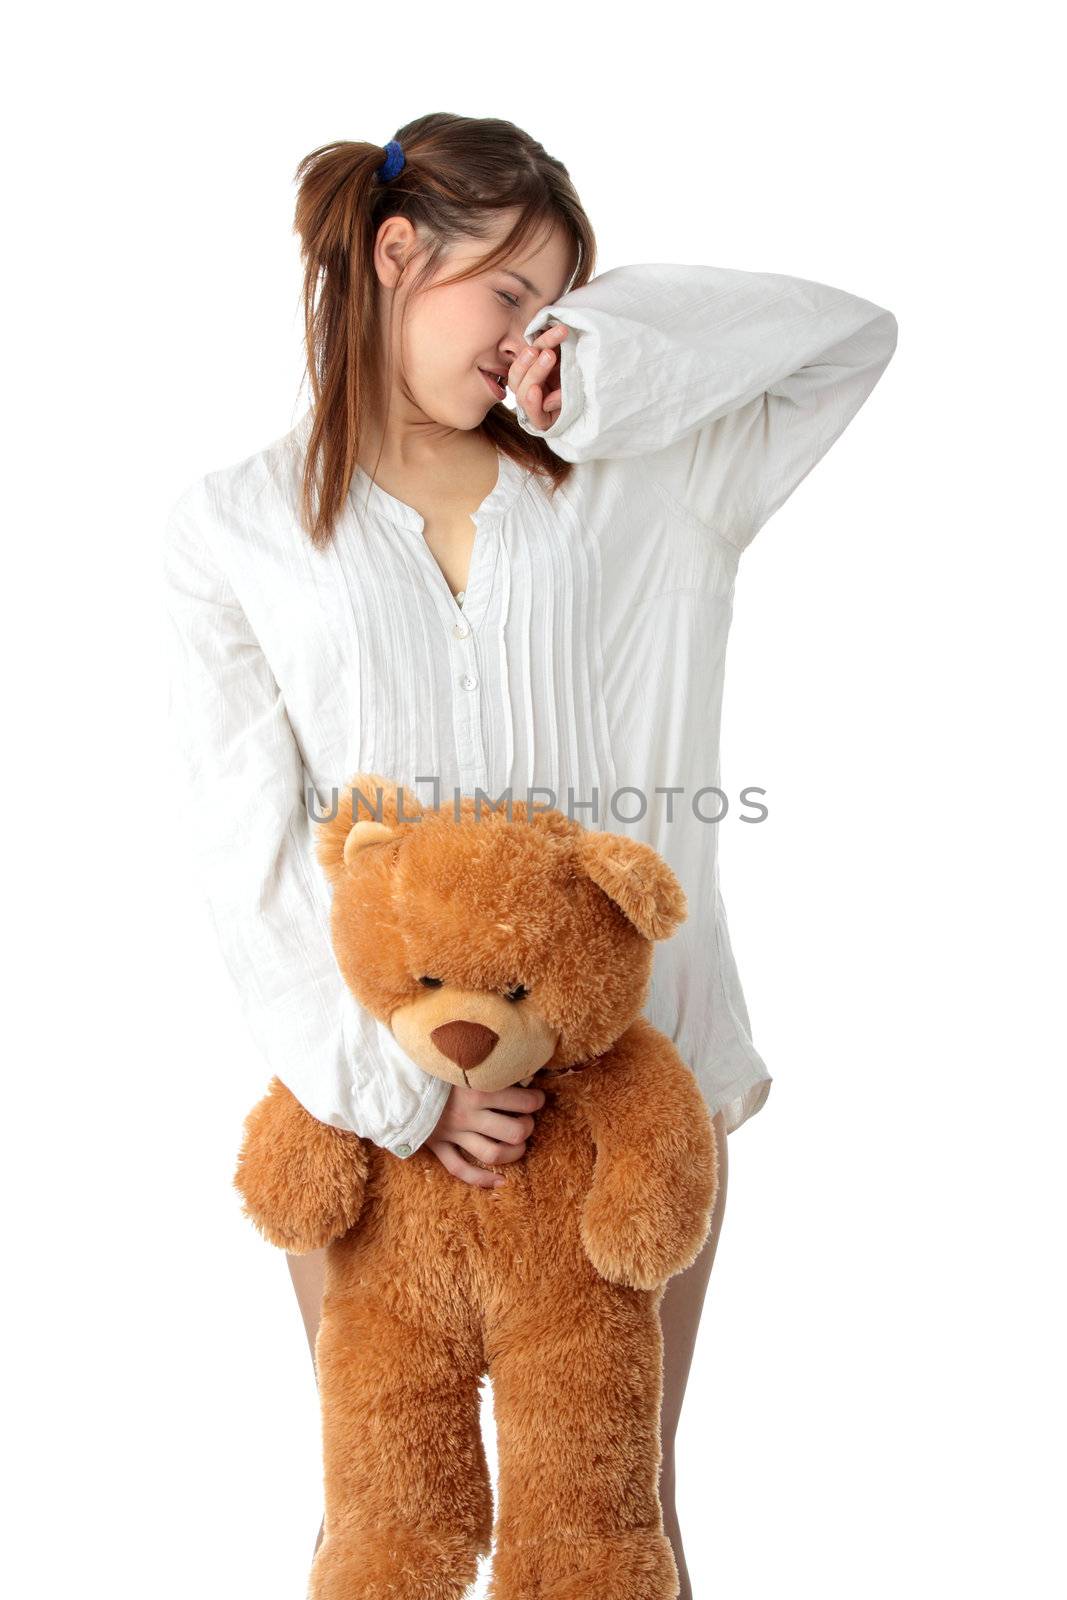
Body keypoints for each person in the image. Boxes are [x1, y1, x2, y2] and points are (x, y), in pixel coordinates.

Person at [162, 112, 897, 1600]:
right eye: (508, 296)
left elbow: (846, 337)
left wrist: (613, 363)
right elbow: (246, 854)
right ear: (394, 255)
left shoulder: (652, 477)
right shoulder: (233, 530)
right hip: (382, 1123)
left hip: (640, 1083)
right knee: (382, 1533)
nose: (525, 343)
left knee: (620, 1533)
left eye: (559, 305)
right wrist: (403, 1097)